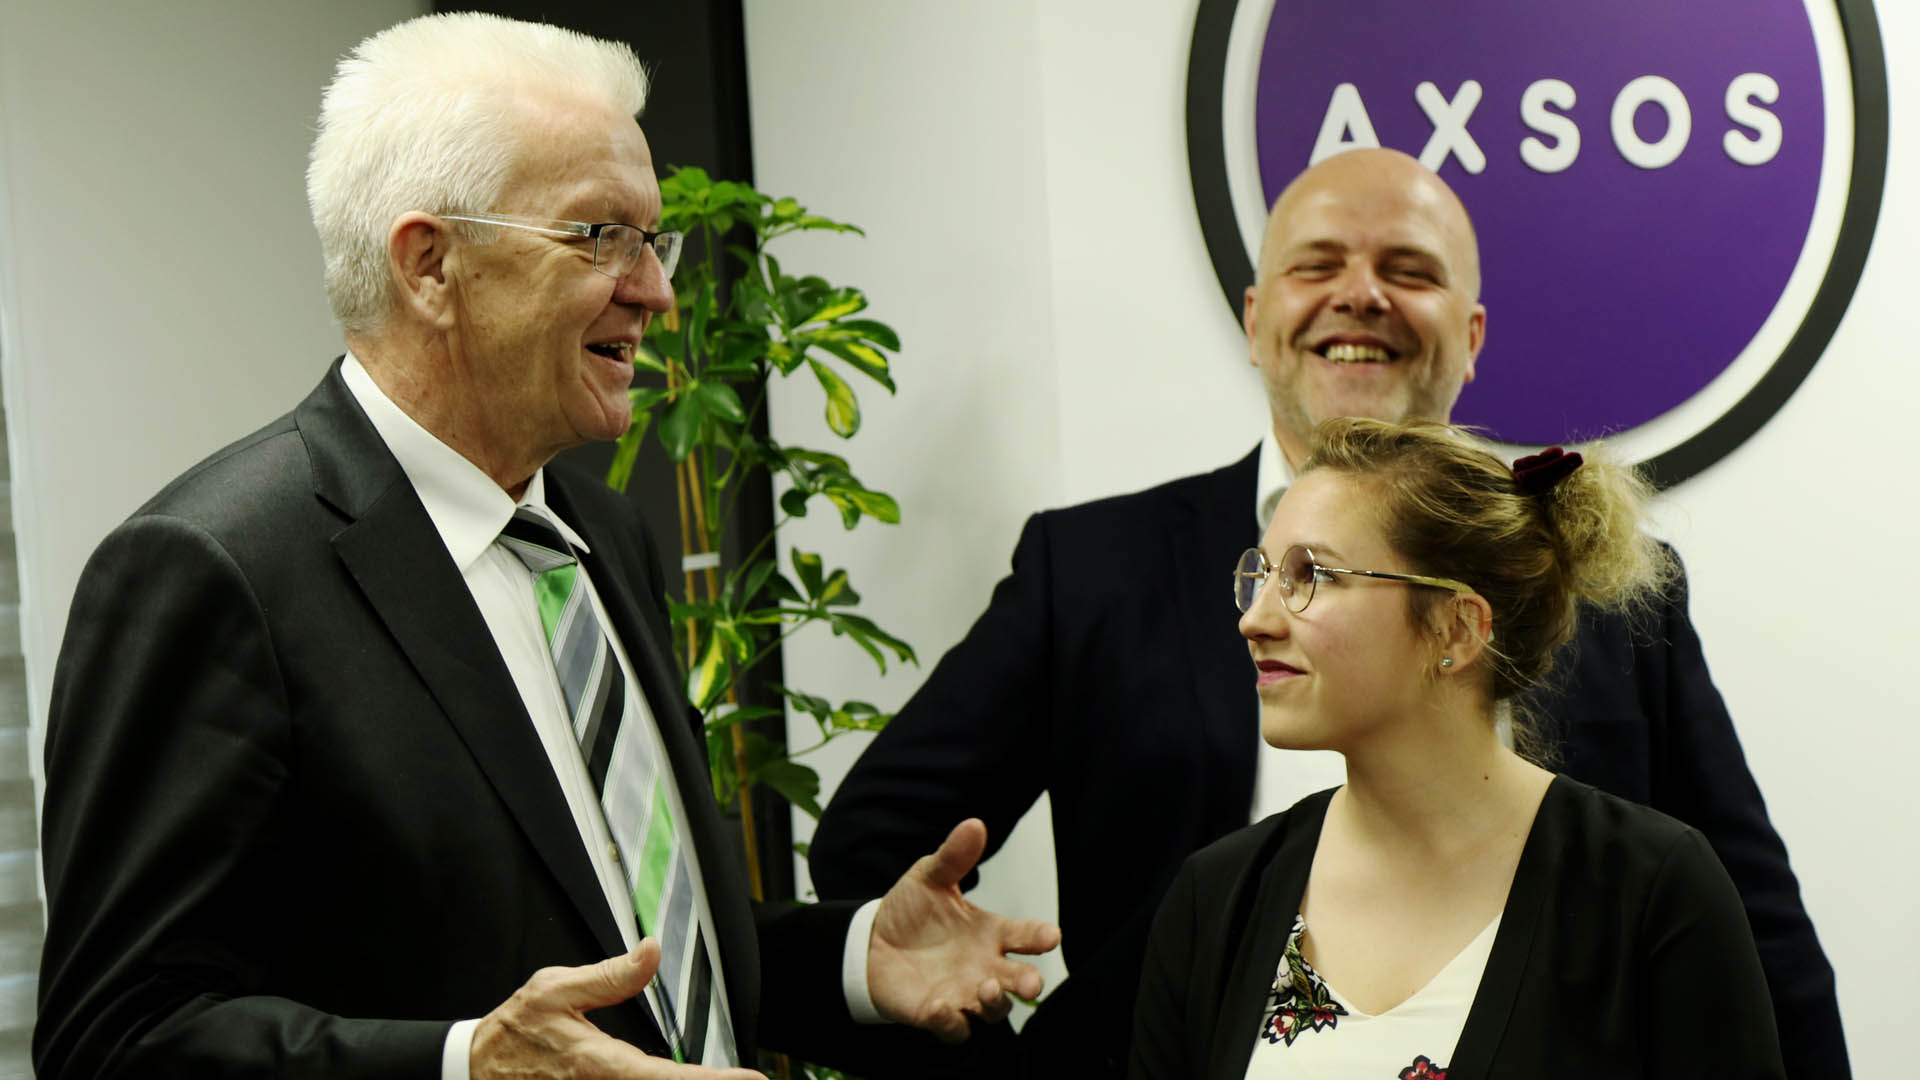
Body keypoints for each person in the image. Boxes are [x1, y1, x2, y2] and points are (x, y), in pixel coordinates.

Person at [33, 14, 1058, 1079]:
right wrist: (466, 1063)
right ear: (431, 267)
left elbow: (623, 945)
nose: (657, 289)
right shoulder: (213, 569)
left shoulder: (599, 535)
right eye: (599, 236)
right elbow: (116, 1040)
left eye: (653, 239)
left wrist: (851, 959)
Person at [809, 148, 1845, 1077]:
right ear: (1256, 319)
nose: (1361, 295)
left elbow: (1759, 936)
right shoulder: (1091, 569)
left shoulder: (1590, 592)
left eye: (1409, 269)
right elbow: (880, 855)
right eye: (1318, 266)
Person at [1128, 417, 1785, 1078]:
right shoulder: (1214, 899)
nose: (1256, 619)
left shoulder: (1650, 889)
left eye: (1313, 575)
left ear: (1456, 628)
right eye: (1264, 574)